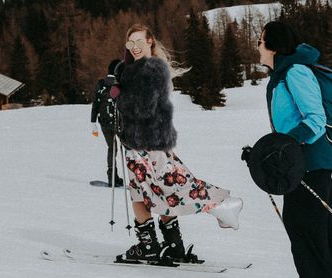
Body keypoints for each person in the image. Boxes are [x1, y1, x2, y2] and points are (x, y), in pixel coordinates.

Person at [111, 24, 243, 262]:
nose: (135, 48)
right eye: (130, 44)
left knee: (149, 192)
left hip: (145, 144)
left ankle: (152, 244)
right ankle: (174, 246)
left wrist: (120, 93)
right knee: (161, 191)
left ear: (150, 41)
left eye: (139, 42)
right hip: (149, 142)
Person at [258, 20, 332, 278]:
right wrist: (268, 150)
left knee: (302, 222)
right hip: (301, 160)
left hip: (307, 160)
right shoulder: (283, 74)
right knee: (322, 223)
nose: (257, 46)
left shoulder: (295, 72)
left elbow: (314, 119)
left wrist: (284, 146)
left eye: (260, 40)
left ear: (273, 46)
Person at [90, 59, 123, 187]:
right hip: (119, 123)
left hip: (104, 123)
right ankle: (136, 178)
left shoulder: (101, 83)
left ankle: (112, 177)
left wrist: (93, 123)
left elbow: (95, 104)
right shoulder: (120, 83)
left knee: (112, 148)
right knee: (129, 149)